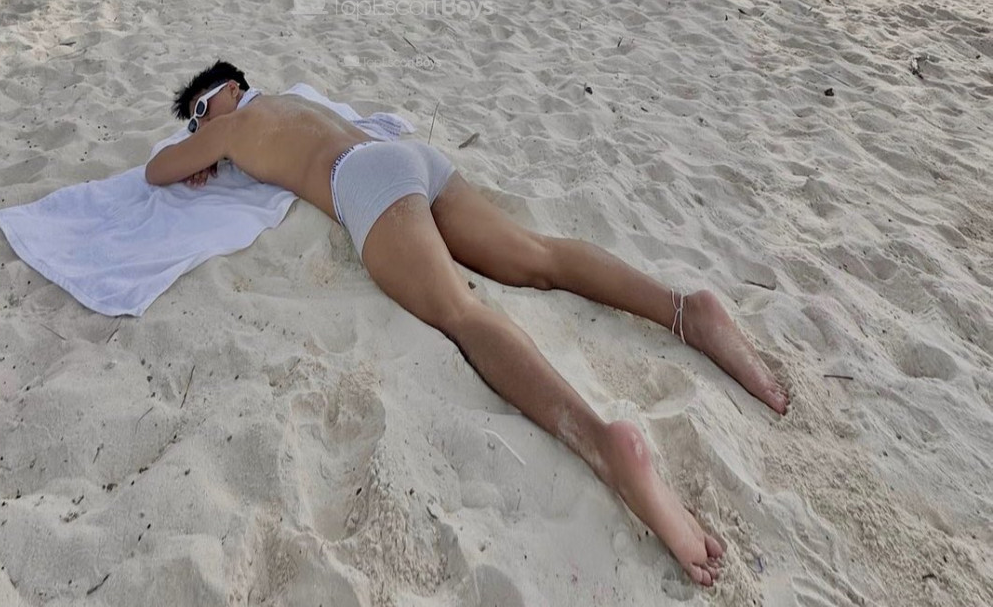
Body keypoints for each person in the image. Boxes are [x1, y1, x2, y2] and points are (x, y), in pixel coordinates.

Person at [146, 60, 789, 588]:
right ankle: (683, 309)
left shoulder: (235, 123)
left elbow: (157, 169)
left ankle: (603, 444)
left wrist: (201, 147)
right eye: (196, 120)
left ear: (231, 87)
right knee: (539, 257)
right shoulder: (294, 102)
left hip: (362, 181)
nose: (200, 122)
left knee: (463, 314)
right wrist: (209, 142)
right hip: (408, 158)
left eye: (200, 107)